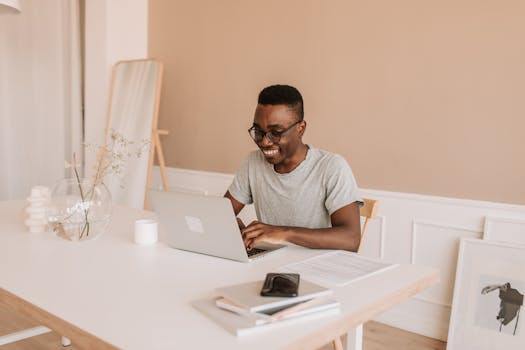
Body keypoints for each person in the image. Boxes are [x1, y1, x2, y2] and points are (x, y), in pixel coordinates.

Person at [224, 84, 363, 252]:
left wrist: (283, 233)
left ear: (300, 129)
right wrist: (232, 226)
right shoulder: (253, 163)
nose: (264, 142)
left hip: (314, 266)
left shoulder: (331, 167)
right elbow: (222, 212)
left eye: (276, 132)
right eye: (258, 131)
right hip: (269, 263)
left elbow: (351, 239)